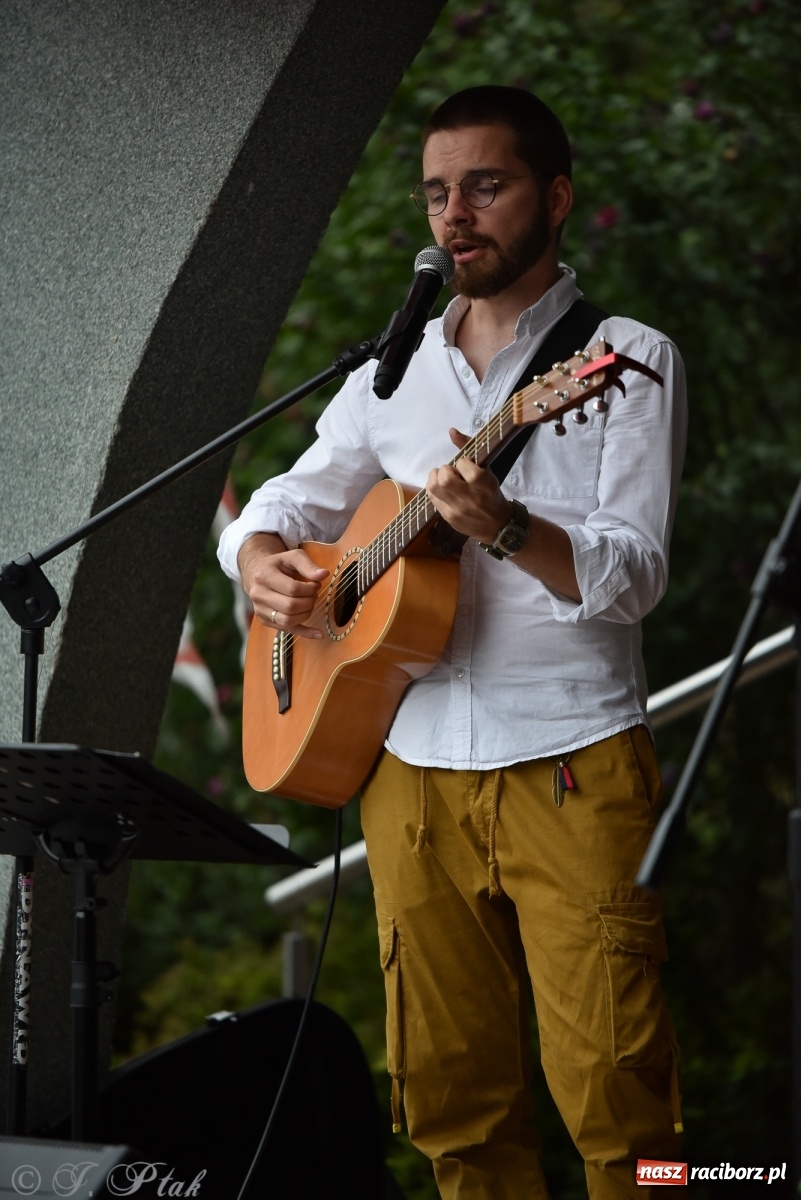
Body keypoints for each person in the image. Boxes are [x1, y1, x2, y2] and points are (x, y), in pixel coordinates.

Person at [218, 86, 687, 1200]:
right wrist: (259, 561)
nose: (456, 213)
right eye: (438, 191)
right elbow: (284, 502)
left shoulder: (622, 360)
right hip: (410, 769)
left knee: (625, 1105)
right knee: (449, 1109)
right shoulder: (395, 369)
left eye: (487, 183)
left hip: (570, 761)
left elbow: (634, 580)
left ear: (555, 198)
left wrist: (511, 529)